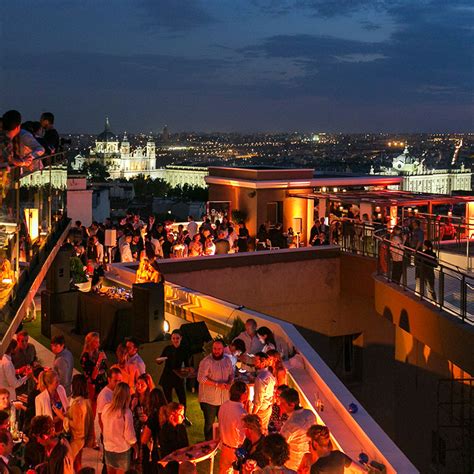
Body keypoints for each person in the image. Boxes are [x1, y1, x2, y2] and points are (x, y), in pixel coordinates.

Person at [197, 340, 234, 440]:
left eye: (219, 349)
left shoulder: (227, 360)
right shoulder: (206, 361)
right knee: (209, 423)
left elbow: (231, 374)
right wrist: (217, 384)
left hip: (224, 399)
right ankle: (208, 444)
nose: (216, 351)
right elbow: (201, 378)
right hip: (209, 400)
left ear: (223, 349)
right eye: (215, 349)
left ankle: (221, 441)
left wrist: (230, 382)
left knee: (223, 421)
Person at [101, 383, 137, 474]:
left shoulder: (106, 408)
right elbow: (129, 436)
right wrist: (136, 447)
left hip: (108, 448)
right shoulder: (126, 413)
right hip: (122, 450)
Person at [279, 389, 317, 472]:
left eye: (282, 403)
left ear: (291, 405)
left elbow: (279, 445)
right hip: (309, 463)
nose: (280, 405)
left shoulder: (290, 425)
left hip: (293, 465)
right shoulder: (310, 414)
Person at [64, 374, 94, 472]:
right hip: (83, 438)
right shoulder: (87, 401)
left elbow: (76, 425)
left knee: (72, 464)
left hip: (76, 439)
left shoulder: (78, 403)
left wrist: (62, 416)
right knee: (78, 462)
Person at [158, 330, 189, 420]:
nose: (175, 340)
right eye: (173, 338)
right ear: (171, 339)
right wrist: (159, 361)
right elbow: (161, 359)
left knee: (182, 399)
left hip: (178, 376)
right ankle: (169, 417)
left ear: (181, 338)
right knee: (168, 400)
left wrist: (187, 370)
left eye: (177, 338)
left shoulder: (184, 350)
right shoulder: (167, 348)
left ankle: (183, 417)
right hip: (167, 376)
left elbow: (187, 365)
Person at [218, 381, 248, 474]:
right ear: (242, 395)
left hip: (224, 446)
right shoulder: (241, 413)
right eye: (247, 393)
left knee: (224, 470)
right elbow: (243, 437)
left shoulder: (224, 405)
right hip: (235, 449)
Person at [140, 388, 168, 473]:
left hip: (153, 452)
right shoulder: (167, 414)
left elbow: (144, 439)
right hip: (165, 450)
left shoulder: (153, 418)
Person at [80, 332, 108, 407]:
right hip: (94, 388)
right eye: (96, 342)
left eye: (98, 341)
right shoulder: (85, 357)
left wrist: (104, 360)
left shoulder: (97, 353)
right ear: (90, 343)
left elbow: (105, 368)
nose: (98, 344)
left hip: (103, 384)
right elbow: (93, 377)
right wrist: (99, 361)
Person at [252, 352, 276, 431]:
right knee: (264, 430)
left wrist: (252, 415)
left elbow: (258, 401)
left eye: (256, 361)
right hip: (268, 408)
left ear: (263, 362)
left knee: (259, 432)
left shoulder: (260, 378)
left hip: (261, 411)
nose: (254, 362)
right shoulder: (269, 374)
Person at [96, 368, 123, 434]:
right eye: (115, 381)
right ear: (109, 380)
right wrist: (105, 435)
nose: (118, 383)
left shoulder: (119, 391)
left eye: (120, 381)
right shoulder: (104, 396)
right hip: (109, 435)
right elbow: (100, 419)